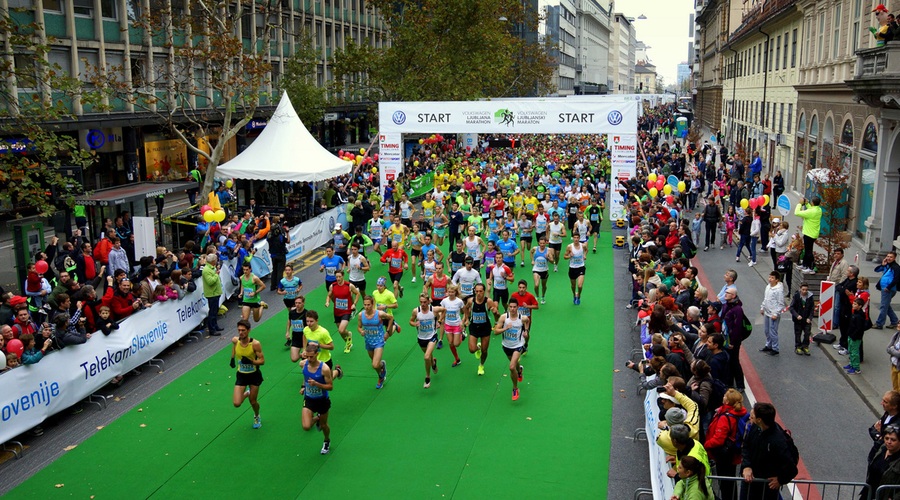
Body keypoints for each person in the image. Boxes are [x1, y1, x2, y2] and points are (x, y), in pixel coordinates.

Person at [740, 402, 798, 500]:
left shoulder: (778, 441)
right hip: (749, 483)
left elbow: (791, 468)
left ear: (759, 420)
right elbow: (746, 445)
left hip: (766, 489)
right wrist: (747, 466)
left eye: (753, 414)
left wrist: (780, 480)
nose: (750, 416)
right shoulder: (755, 427)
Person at [704, 388, 748, 500]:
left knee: (725, 485)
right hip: (733, 453)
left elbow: (718, 439)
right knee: (730, 483)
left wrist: (706, 445)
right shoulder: (739, 412)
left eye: (725, 396)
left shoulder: (725, 417)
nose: (723, 397)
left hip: (724, 456)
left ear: (727, 401)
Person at [299, 342, 334, 455]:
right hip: (309, 399)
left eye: (311, 356)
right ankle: (317, 418)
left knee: (324, 426)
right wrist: (304, 386)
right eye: (307, 356)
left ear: (317, 354)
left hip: (322, 400)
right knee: (306, 426)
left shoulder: (324, 368)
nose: (309, 359)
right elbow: (305, 377)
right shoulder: (303, 364)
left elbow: (330, 387)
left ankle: (326, 440)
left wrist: (316, 384)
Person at [494, 296, 530, 401]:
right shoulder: (503, 318)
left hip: (518, 345)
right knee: (514, 366)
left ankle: (515, 388)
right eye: (510, 307)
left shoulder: (522, 318)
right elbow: (496, 331)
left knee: (511, 367)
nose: (512, 309)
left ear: (518, 307)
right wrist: (505, 328)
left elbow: (527, 321)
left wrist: (526, 331)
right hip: (506, 345)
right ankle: (520, 370)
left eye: (514, 307)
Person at [230, 319, 265, 429]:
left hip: (254, 375)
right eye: (239, 330)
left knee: (253, 401)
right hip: (241, 375)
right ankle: (246, 393)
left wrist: (252, 362)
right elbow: (234, 347)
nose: (241, 332)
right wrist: (232, 358)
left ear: (249, 330)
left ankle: (256, 415)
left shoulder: (255, 344)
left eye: (243, 330)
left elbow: (262, 361)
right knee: (237, 403)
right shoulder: (236, 340)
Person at [358, 295, 392, 389]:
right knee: (376, 364)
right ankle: (381, 374)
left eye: (368, 305)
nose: (366, 307)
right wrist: (361, 331)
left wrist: (388, 332)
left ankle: (381, 371)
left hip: (379, 342)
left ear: (372, 304)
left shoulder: (379, 314)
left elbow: (391, 318)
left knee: (374, 364)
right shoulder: (361, 315)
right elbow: (359, 327)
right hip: (368, 342)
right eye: (365, 305)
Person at [410, 294, 444, 388]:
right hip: (421, 338)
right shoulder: (416, 311)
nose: (423, 304)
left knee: (426, 357)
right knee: (428, 356)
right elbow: (410, 321)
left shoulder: (434, 309)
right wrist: (414, 324)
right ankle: (433, 363)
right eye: (421, 302)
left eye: (425, 302)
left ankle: (427, 377)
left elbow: (444, 310)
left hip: (432, 336)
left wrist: (440, 321)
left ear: (429, 301)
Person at [466, 283, 498, 376]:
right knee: (472, 350)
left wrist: (495, 313)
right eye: (477, 291)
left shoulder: (488, 302)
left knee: (485, 351)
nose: (478, 293)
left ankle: (481, 365)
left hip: (485, 328)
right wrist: (467, 319)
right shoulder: (471, 301)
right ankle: (477, 348)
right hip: (474, 328)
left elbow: (497, 314)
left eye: (480, 291)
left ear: (484, 291)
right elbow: (466, 308)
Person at [326, 270, 360, 354]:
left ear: (343, 276)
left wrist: (354, 304)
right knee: (340, 331)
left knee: (341, 330)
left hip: (346, 311)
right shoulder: (332, 286)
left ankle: (349, 334)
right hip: (337, 311)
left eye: (339, 277)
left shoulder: (349, 285)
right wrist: (327, 301)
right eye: (336, 277)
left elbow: (357, 293)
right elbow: (329, 295)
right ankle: (348, 343)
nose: (338, 278)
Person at [865, 424, 900, 497]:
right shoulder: (882, 449)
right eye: (886, 438)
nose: (889, 442)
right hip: (869, 493)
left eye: (893, 440)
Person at [440, 284, 467, 367]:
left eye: (452, 292)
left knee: (456, 344)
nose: (450, 293)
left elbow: (465, 312)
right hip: (448, 325)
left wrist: (463, 321)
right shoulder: (444, 301)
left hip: (456, 325)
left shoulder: (459, 301)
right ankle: (457, 359)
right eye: (449, 292)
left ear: (455, 292)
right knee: (450, 343)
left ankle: (462, 336)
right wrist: (440, 318)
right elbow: (442, 311)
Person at [759, 271, 785, 356]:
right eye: (769, 277)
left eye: (772, 278)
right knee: (766, 330)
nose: (770, 279)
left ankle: (775, 348)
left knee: (773, 331)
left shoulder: (778, 290)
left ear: (777, 280)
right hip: (767, 312)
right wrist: (762, 307)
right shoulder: (768, 287)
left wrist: (776, 314)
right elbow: (766, 299)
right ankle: (768, 345)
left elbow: (781, 303)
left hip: (773, 314)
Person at [869, 391, 900, 462]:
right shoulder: (887, 414)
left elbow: (886, 442)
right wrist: (879, 436)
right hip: (875, 453)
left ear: (894, 406)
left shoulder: (897, 423)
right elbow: (872, 429)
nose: (881, 403)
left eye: (885, 402)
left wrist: (881, 436)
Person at [794, 196, 823, 273]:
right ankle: (805, 265)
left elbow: (797, 213)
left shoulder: (811, 212)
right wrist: (807, 204)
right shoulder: (819, 210)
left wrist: (800, 204)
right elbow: (811, 209)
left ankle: (810, 267)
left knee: (808, 251)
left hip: (809, 233)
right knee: (807, 250)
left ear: (812, 203)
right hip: (813, 233)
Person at [874, 251, 900, 329]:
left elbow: (896, 279)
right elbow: (876, 270)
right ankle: (895, 321)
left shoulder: (896, 267)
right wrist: (882, 264)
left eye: (891, 257)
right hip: (884, 288)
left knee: (883, 306)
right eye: (888, 256)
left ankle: (879, 323)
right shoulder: (887, 265)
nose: (888, 258)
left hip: (888, 289)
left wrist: (888, 287)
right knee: (886, 306)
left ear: (895, 258)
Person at [789, 282, 814, 356]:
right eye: (803, 290)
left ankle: (805, 346)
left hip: (806, 319)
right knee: (798, 333)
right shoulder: (796, 296)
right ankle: (798, 346)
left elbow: (812, 309)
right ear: (800, 289)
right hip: (798, 319)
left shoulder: (810, 297)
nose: (804, 291)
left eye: (806, 290)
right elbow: (792, 307)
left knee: (807, 333)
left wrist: (810, 318)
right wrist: (797, 315)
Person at [564, 228, 587, 305]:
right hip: (572, 268)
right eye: (575, 238)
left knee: (580, 286)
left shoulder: (582, 245)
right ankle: (574, 294)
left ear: (579, 238)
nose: (576, 239)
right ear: (573, 238)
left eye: (577, 238)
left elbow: (586, 250)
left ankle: (579, 295)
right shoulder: (569, 247)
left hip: (581, 267)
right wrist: (569, 256)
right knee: (573, 285)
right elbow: (564, 256)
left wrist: (584, 255)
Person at [202, 254, 224, 336]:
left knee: (215, 310)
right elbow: (210, 282)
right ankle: (212, 329)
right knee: (212, 311)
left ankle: (215, 326)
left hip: (215, 292)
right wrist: (216, 274)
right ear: (213, 261)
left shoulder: (211, 268)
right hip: (212, 294)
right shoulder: (206, 270)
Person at [844, 298, 867, 375]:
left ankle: (856, 368)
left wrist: (853, 335)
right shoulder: (855, 313)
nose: (853, 305)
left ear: (860, 306)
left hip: (855, 338)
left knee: (854, 353)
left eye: (855, 304)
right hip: (851, 336)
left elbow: (859, 328)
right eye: (853, 303)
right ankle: (851, 364)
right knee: (850, 350)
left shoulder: (859, 316)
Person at [531, 235, 553, 304]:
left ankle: (543, 297)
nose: (542, 245)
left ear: (546, 243)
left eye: (543, 243)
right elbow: (531, 252)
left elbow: (552, 261)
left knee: (543, 285)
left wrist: (548, 258)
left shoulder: (548, 250)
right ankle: (537, 296)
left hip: (544, 270)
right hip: (536, 269)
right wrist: (532, 260)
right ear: (539, 243)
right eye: (541, 243)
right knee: (536, 285)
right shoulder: (535, 248)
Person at [286, 296, 308, 361]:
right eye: (296, 303)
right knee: (294, 359)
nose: (297, 305)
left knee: (306, 361)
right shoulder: (292, 313)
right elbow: (289, 321)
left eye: (299, 303)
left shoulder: (306, 314)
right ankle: (302, 354)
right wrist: (287, 332)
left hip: (305, 338)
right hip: (295, 338)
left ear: (303, 303)